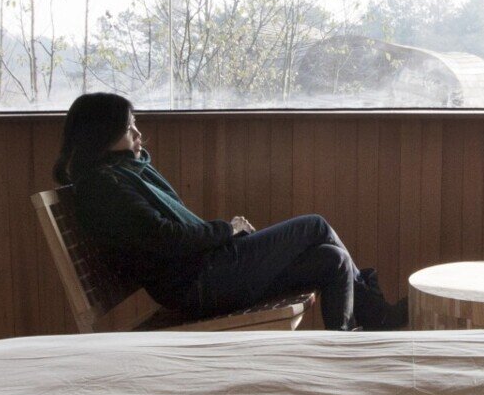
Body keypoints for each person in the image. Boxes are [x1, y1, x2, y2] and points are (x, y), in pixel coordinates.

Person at [52, 92, 405, 330]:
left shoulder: (119, 175)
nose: (138, 134)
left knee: (332, 260)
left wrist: (223, 235)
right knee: (315, 225)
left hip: (205, 275)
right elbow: (166, 236)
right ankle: (378, 318)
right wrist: (228, 229)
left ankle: (341, 356)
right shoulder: (105, 187)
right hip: (200, 285)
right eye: (128, 128)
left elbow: (162, 234)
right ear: (102, 134)